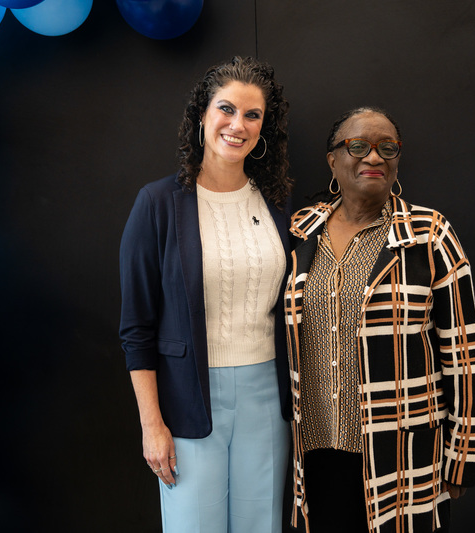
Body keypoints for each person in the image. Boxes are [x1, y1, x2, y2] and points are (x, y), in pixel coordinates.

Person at [284, 107, 475, 532]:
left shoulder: (430, 235)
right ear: (332, 160)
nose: (373, 157)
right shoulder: (300, 233)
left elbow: (463, 355)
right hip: (314, 452)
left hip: (402, 455)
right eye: (358, 146)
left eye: (387, 147)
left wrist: (463, 456)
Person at [119, 56, 293, 533]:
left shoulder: (278, 207)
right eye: (226, 109)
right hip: (187, 400)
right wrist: (151, 425)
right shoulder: (157, 204)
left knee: (263, 525)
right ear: (202, 115)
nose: (238, 125)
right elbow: (136, 329)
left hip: (267, 397)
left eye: (252, 115)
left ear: (262, 129)